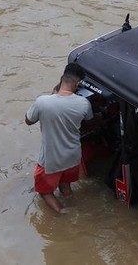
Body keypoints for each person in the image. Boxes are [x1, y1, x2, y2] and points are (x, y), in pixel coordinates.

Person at [25, 63, 93, 214]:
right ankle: (73, 206)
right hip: (73, 157)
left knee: (44, 191)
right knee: (65, 185)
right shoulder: (84, 103)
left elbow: (28, 120)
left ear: (61, 79)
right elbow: (89, 119)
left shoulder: (43, 102)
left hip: (51, 159)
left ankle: (63, 215)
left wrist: (51, 96)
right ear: (77, 84)